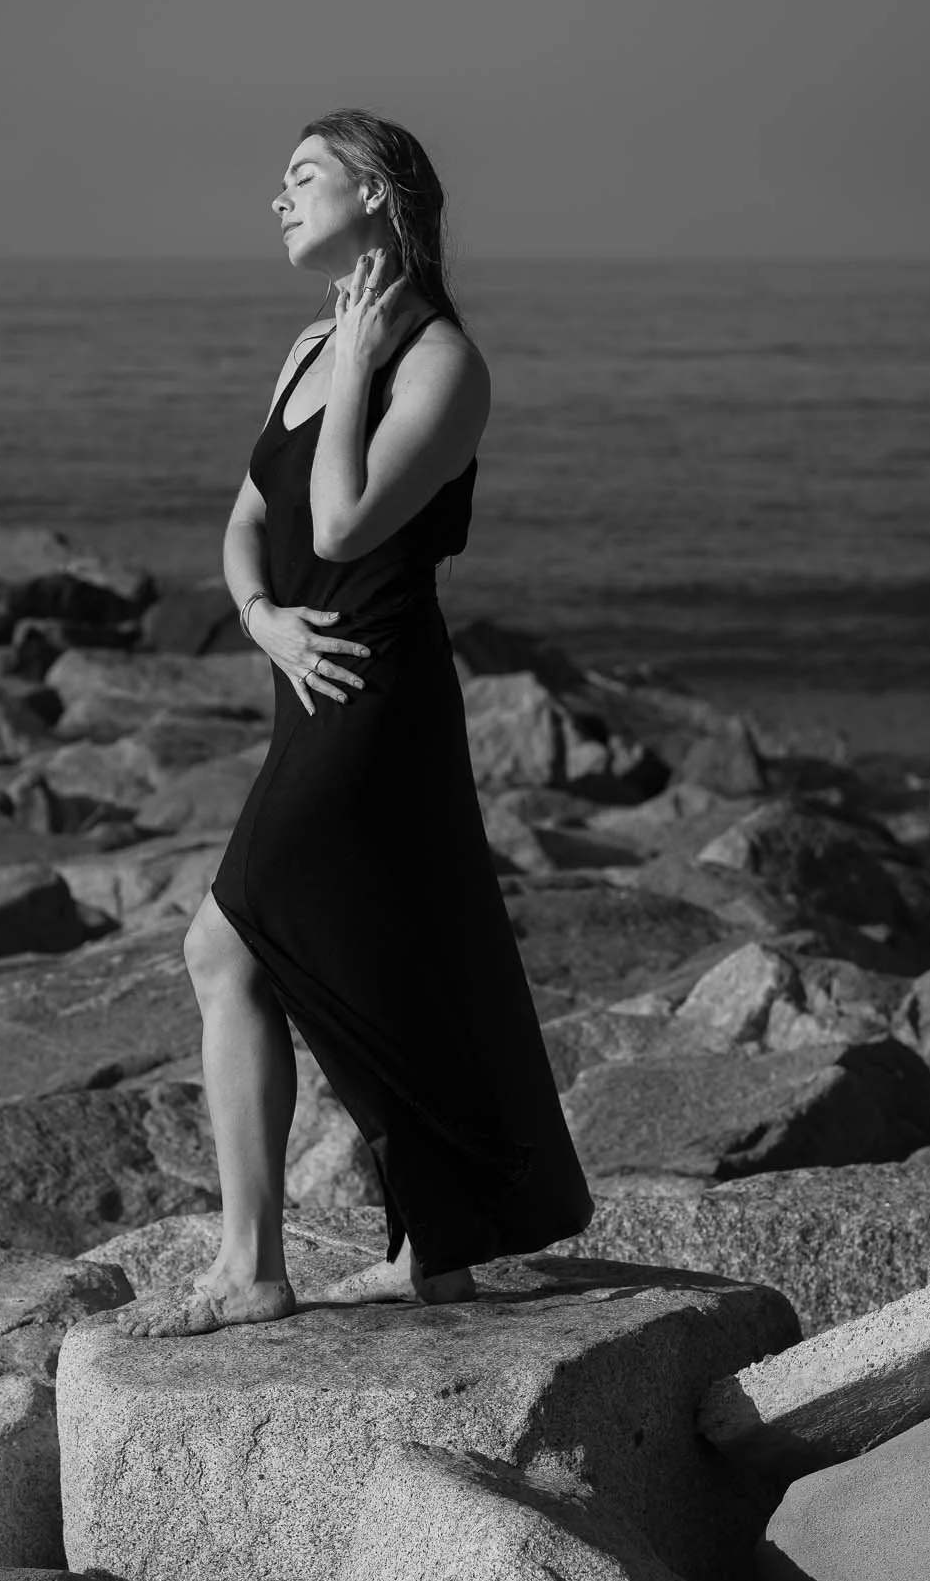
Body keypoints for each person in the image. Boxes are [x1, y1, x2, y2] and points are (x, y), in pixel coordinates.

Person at [128, 108, 593, 1337]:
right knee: (379, 953)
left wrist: (358, 361)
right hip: (306, 679)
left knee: (226, 945)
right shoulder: (304, 344)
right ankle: (436, 1248)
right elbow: (248, 517)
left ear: (377, 190)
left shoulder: (441, 364)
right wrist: (261, 621)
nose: (277, 198)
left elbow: (340, 523)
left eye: (302, 175)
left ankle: (251, 1267)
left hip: (378, 695)